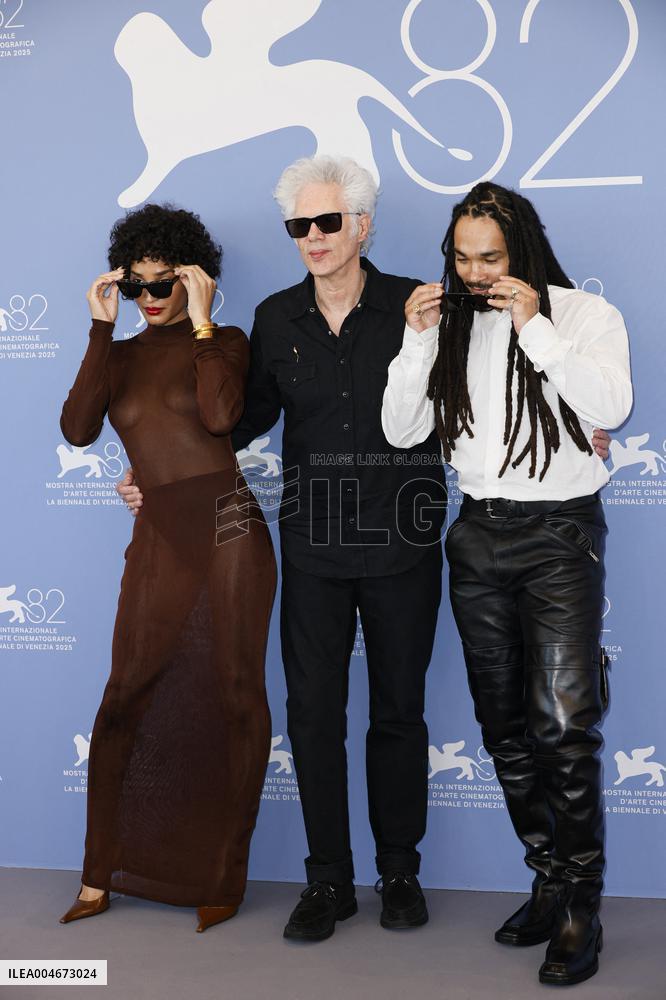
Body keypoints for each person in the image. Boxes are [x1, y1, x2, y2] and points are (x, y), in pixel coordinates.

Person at [120, 156, 448, 939]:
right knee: (312, 715)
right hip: (313, 546)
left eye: (327, 222)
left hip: (404, 539)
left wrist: (581, 429)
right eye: (298, 225)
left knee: (400, 712)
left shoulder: (417, 305)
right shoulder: (272, 319)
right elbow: (237, 423)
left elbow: (474, 391)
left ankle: (398, 871)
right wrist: (159, 474)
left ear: (362, 224)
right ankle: (328, 880)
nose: (312, 237)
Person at [382, 182, 631, 986]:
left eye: (492, 257)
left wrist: (537, 331)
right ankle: (550, 880)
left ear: (522, 249)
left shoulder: (583, 315)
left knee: (562, 727)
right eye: (463, 257)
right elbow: (402, 429)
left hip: (559, 533)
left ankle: (581, 908)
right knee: (503, 728)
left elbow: (613, 406)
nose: (478, 273)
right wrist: (418, 342)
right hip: (478, 532)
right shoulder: (450, 324)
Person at [59, 204, 276, 933]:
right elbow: (78, 428)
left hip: (228, 527)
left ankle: (222, 878)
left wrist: (207, 322)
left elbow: (219, 418)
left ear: (193, 280)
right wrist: (98, 328)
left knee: (237, 693)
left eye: (165, 284)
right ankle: (99, 874)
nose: (150, 299)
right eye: (137, 286)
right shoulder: (117, 355)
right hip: (161, 533)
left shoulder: (228, 341)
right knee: (126, 693)